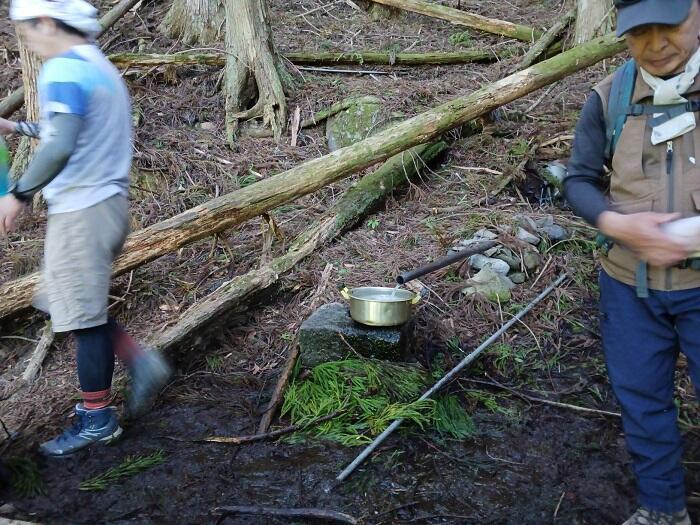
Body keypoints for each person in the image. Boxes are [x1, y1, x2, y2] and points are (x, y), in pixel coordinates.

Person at [0, 0, 171, 457]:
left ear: (47, 22)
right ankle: (140, 362)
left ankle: (97, 419)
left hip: (83, 210)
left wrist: (18, 194)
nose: (27, 41)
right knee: (76, 305)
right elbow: (70, 128)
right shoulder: (96, 65)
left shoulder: (62, 70)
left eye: (26, 30)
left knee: (83, 315)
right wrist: (16, 126)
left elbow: (60, 146)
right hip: (108, 204)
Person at [565, 0, 700, 523]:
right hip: (629, 288)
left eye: (668, 27)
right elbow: (578, 180)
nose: (656, 44)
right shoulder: (609, 98)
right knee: (642, 400)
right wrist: (618, 225)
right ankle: (663, 509)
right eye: (639, 32)